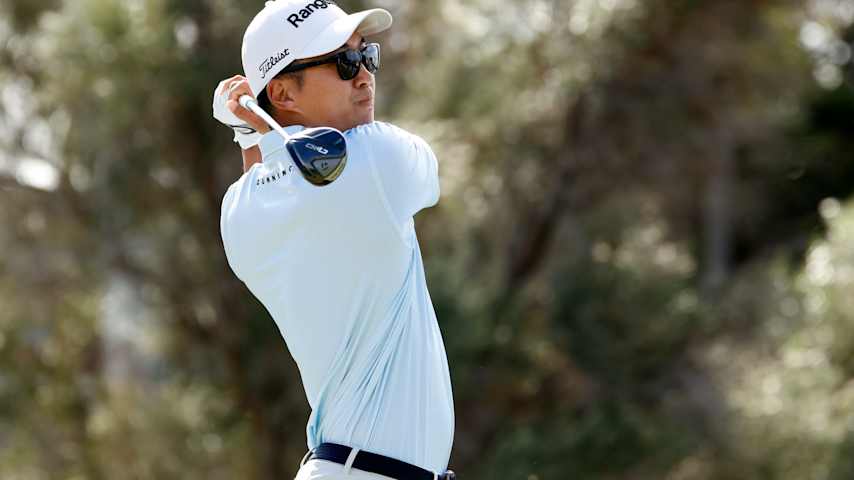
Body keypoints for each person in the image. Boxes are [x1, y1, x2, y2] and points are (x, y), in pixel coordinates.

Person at [213, 1, 455, 479]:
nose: (364, 77)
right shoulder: (379, 160)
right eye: (344, 63)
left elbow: (275, 182)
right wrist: (256, 128)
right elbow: (424, 173)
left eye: (367, 56)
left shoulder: (238, 214)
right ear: (282, 91)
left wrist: (250, 131)